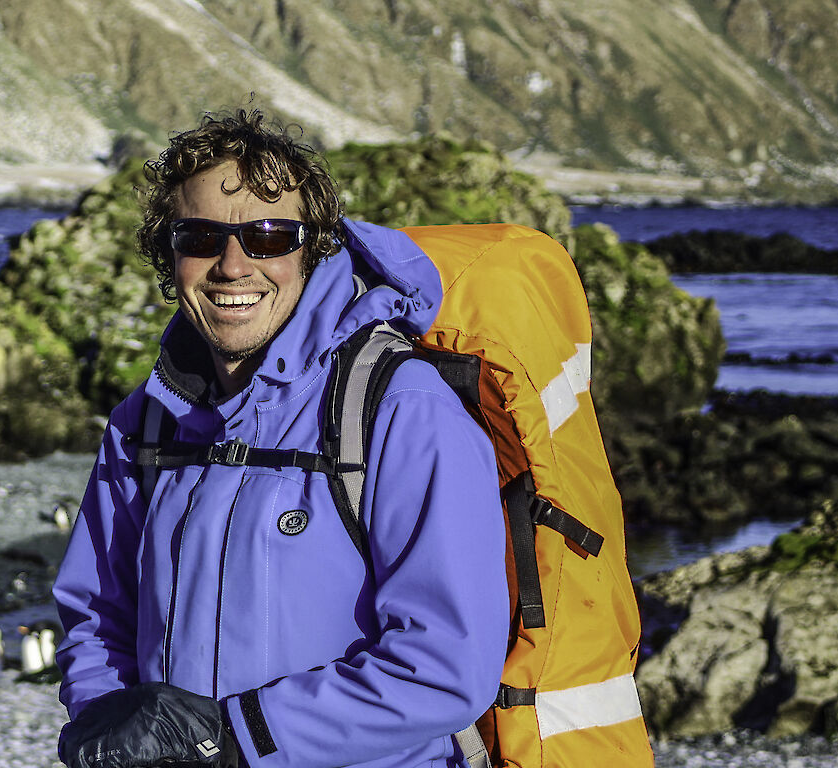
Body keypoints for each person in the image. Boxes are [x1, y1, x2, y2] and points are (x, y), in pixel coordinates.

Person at [52, 109, 510, 768]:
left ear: (314, 248)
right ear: (169, 254)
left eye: (270, 236)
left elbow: (443, 667)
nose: (234, 265)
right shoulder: (145, 423)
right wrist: (106, 718)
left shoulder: (400, 409)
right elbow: (96, 611)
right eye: (201, 235)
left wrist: (234, 738)